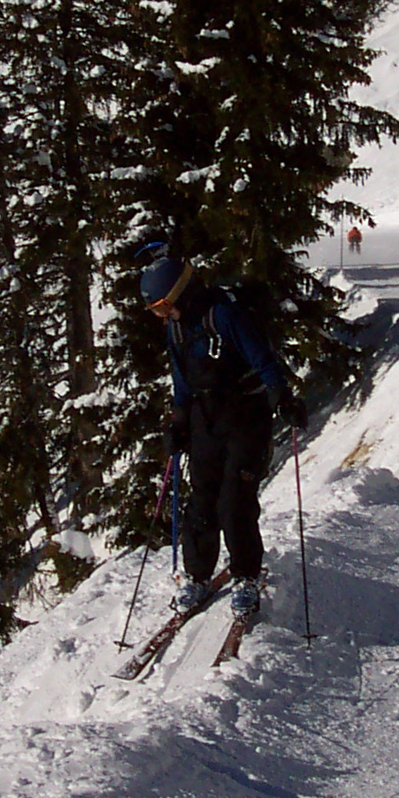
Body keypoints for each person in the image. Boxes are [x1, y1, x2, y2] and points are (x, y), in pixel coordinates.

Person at [141, 250, 307, 620]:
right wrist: (179, 422)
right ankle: (198, 576)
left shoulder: (224, 314)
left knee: (234, 503)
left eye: (163, 306)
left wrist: (282, 397)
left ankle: (246, 575)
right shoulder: (177, 327)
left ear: (181, 293)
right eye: (155, 310)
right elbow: (181, 380)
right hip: (206, 418)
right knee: (201, 501)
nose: (161, 316)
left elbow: (264, 360)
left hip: (246, 416)